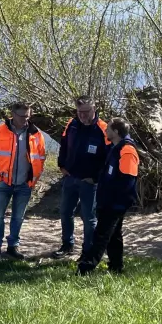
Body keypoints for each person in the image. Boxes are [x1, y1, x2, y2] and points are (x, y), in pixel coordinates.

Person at [0, 102, 47, 260]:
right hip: (3, 183)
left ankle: (13, 247)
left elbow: (40, 158)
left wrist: (33, 180)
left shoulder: (36, 134)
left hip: (25, 184)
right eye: (22, 116)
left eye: (28, 116)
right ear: (13, 114)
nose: (25, 119)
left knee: (18, 217)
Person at [78, 119, 140, 276]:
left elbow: (128, 180)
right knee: (114, 235)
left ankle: (86, 268)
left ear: (116, 132)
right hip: (109, 200)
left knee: (100, 235)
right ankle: (116, 267)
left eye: (108, 129)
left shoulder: (127, 150)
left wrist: (114, 202)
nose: (106, 131)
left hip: (115, 203)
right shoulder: (116, 147)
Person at [54, 96, 110, 258]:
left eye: (86, 111)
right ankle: (67, 245)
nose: (83, 115)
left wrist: (96, 178)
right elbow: (64, 145)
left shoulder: (104, 129)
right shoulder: (71, 124)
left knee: (89, 217)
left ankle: (88, 251)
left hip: (89, 182)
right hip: (70, 177)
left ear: (94, 109)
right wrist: (62, 165)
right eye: (80, 112)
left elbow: (109, 158)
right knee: (65, 212)